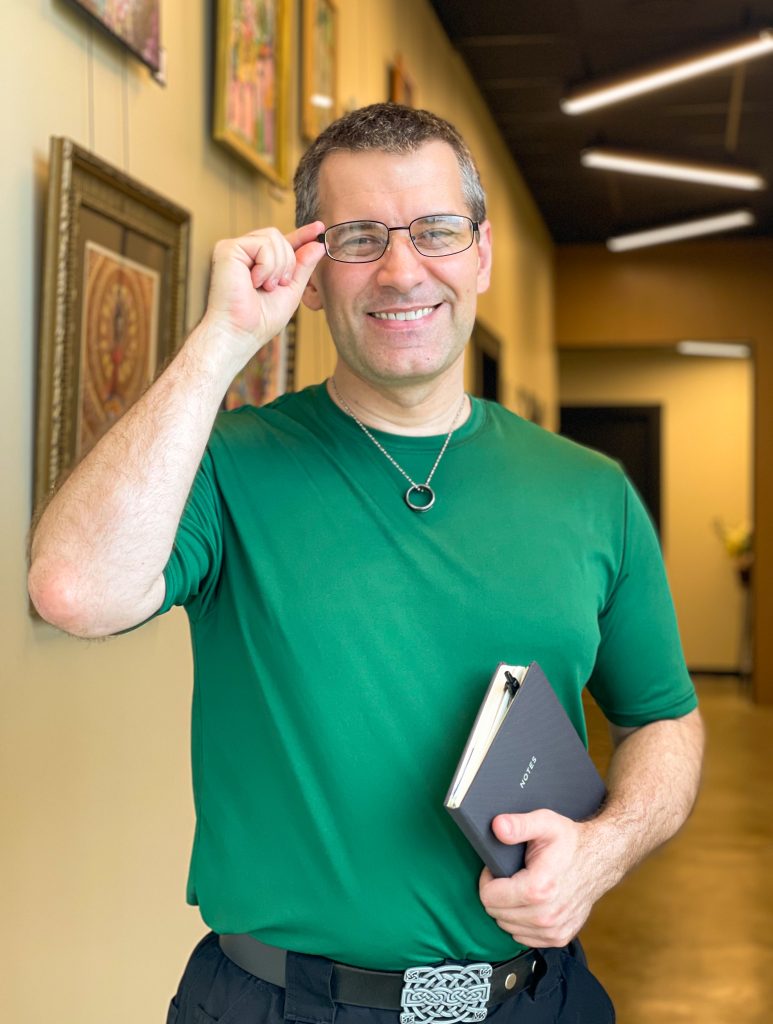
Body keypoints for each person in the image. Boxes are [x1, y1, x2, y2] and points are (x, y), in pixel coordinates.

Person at [28, 103, 704, 1023]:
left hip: (532, 999)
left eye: (436, 230)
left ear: (481, 255)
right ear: (309, 272)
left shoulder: (591, 493)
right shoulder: (229, 465)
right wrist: (221, 342)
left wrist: (605, 848)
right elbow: (73, 590)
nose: (401, 269)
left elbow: (662, 718)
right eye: (358, 238)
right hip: (278, 1004)